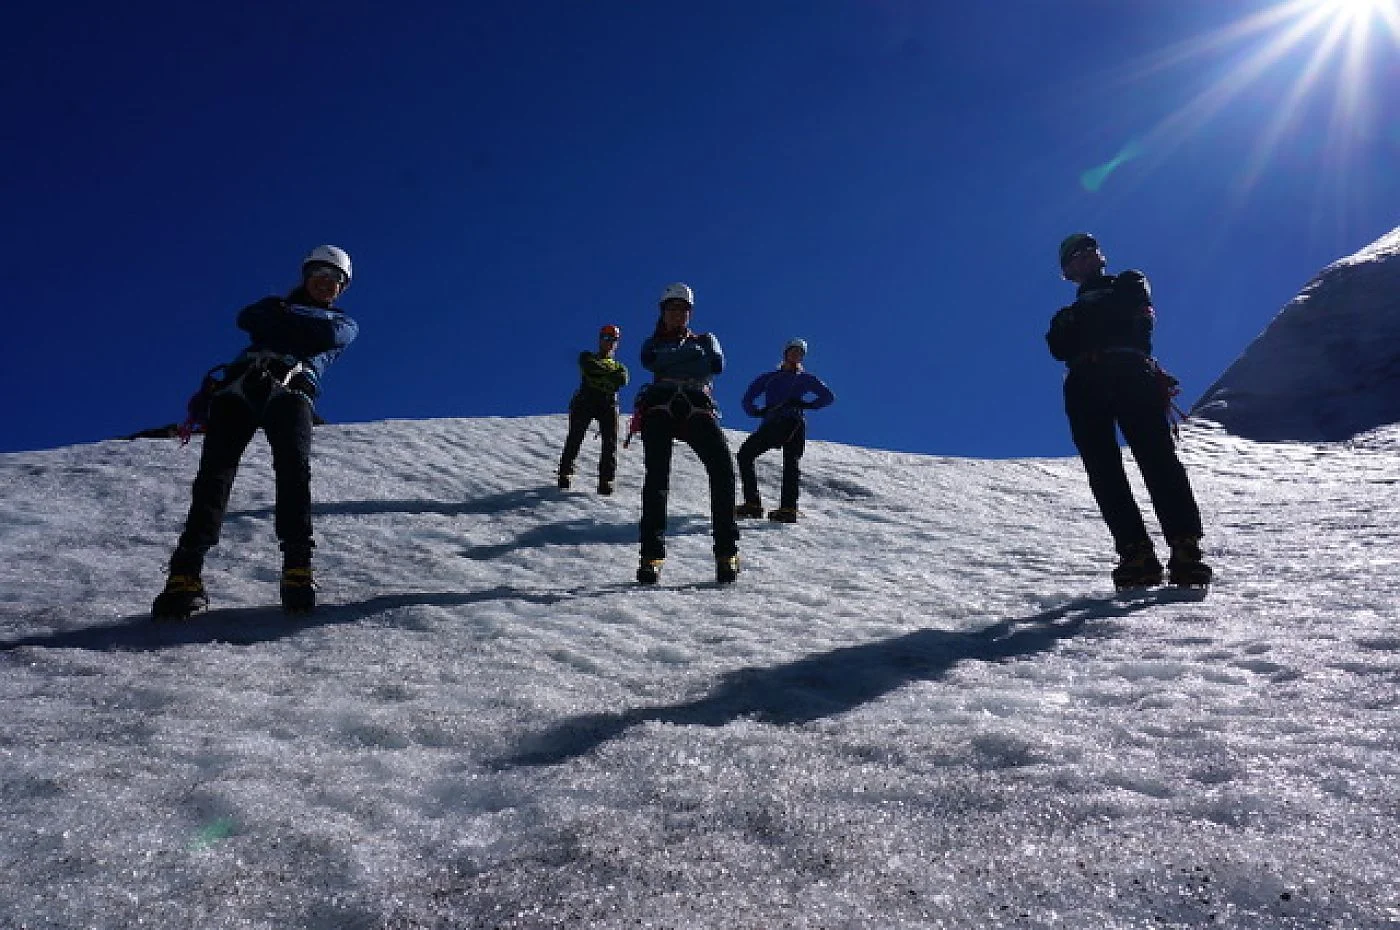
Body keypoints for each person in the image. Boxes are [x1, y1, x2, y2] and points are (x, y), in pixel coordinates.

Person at [152, 245, 360, 619]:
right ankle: (186, 571)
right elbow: (248, 318)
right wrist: (300, 331)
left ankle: (297, 563)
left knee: (293, 470)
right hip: (245, 390)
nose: (327, 285)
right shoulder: (276, 309)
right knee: (215, 475)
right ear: (306, 276)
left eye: (335, 281)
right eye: (321, 276)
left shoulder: (343, 324)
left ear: (342, 289)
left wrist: (281, 323)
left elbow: (324, 338)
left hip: (286, 390)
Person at [1046, 233, 1212, 589]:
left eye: (1089, 250)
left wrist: (1083, 327)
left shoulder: (1128, 283)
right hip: (1098, 379)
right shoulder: (1073, 312)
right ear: (1068, 270)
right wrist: (1094, 323)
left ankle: (1182, 547)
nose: (1086, 256)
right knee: (1105, 469)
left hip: (1123, 373)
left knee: (1155, 458)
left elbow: (1130, 315)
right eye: (1076, 255)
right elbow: (1058, 345)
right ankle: (1137, 552)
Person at [634, 282, 740, 585]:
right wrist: (693, 359)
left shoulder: (707, 339)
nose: (677, 314)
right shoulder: (654, 344)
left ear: (689, 313)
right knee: (657, 478)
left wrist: (677, 360)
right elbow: (651, 362)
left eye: (682, 309)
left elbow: (716, 364)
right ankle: (650, 557)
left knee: (722, 469)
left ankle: (726, 553)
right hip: (662, 405)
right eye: (672, 308)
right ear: (663, 311)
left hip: (693, 403)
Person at [735, 337, 836, 523]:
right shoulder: (770, 378)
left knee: (789, 462)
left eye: (800, 353)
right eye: (793, 351)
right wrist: (756, 411)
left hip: (792, 422)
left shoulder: (805, 378)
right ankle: (760, 505)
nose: (796, 355)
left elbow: (828, 397)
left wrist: (807, 405)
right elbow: (747, 398)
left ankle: (783, 507)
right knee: (747, 455)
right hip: (779, 421)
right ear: (786, 353)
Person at [557, 324, 629, 494]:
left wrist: (600, 374)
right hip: (587, 400)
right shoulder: (587, 357)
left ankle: (606, 480)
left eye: (613, 340)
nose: (609, 342)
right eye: (606, 338)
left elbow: (622, 380)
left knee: (609, 443)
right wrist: (607, 376)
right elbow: (591, 368)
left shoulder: (620, 367)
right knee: (576, 435)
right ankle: (565, 472)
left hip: (607, 403)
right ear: (600, 340)